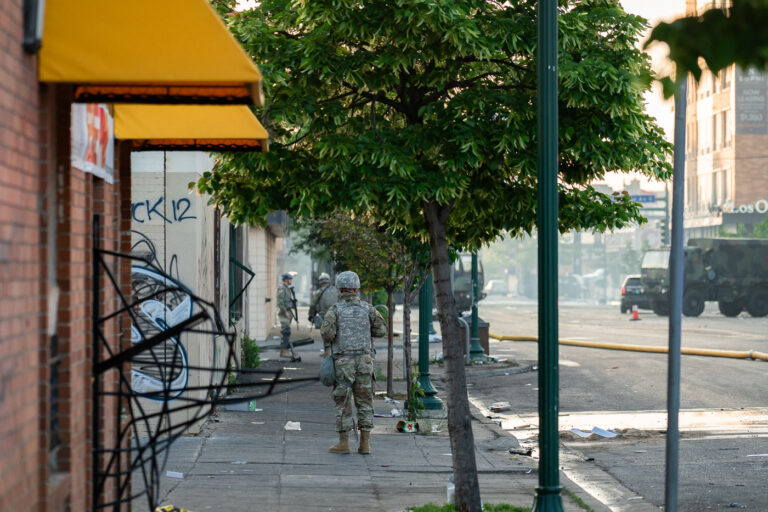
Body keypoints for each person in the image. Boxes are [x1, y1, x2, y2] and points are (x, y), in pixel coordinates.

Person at [321, 271, 387, 454]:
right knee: (365, 401)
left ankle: (344, 443)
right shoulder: (368, 308)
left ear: (340, 289)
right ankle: (365, 444)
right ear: (356, 288)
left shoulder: (334, 310)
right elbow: (381, 331)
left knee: (342, 402)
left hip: (343, 362)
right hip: (365, 361)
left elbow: (327, 334)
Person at [277, 273, 297, 358]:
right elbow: (280, 302)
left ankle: (284, 350)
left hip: (288, 311)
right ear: (286, 280)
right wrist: (285, 312)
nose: (291, 280)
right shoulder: (282, 288)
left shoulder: (286, 289)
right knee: (286, 331)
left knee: (286, 331)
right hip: (284, 312)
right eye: (290, 279)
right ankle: (284, 351)